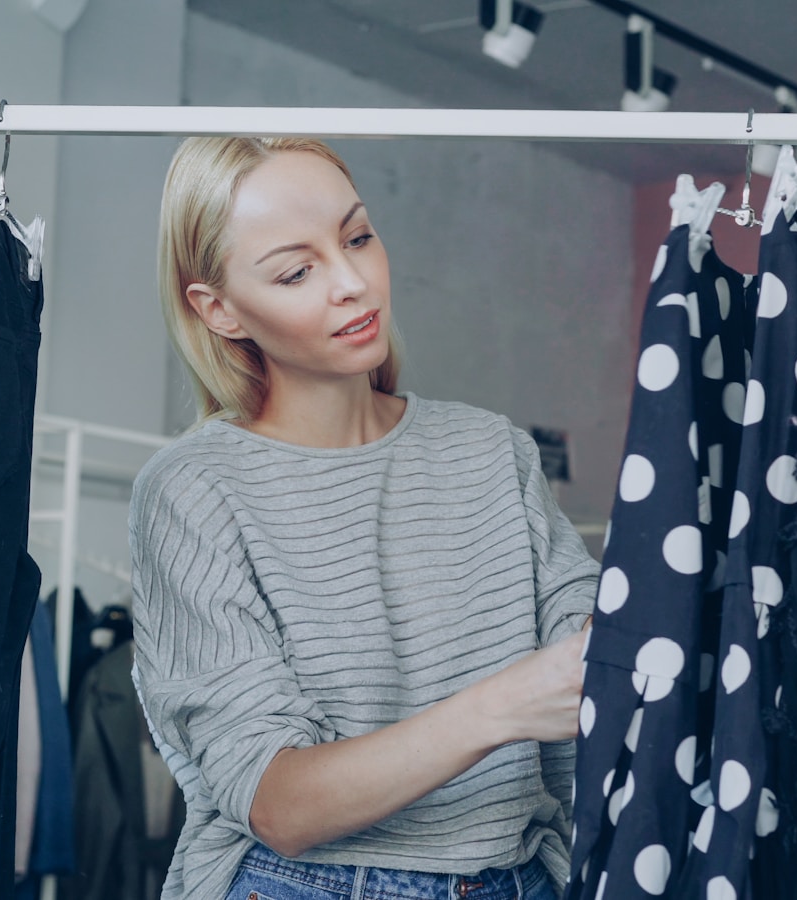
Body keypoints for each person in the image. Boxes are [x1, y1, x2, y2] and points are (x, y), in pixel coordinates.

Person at [132, 135, 598, 900]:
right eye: (296, 270)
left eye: (357, 237)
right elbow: (276, 803)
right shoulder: (193, 490)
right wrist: (503, 705)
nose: (353, 282)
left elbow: (589, 689)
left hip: (520, 878)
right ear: (218, 310)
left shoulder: (491, 450)